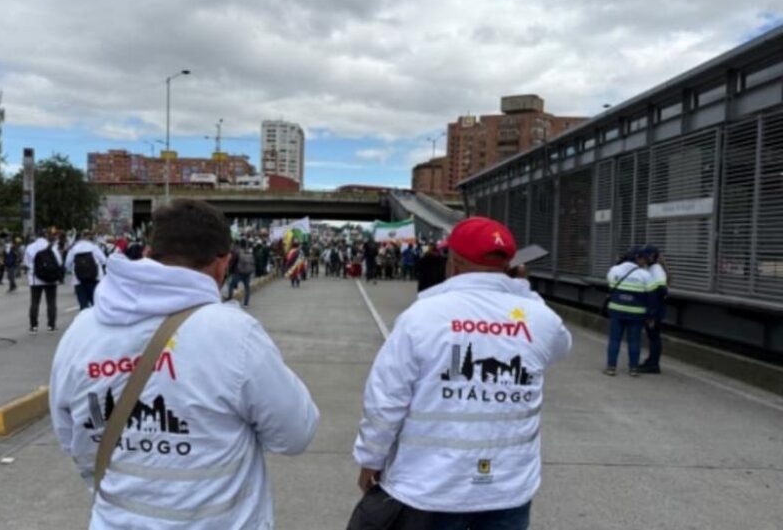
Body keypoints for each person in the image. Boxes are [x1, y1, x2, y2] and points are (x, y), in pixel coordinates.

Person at [49, 199, 319, 529]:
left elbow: (71, 436)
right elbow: (295, 433)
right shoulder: (234, 334)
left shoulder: (83, 329)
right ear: (223, 264)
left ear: (148, 253)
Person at [351, 216, 572, 530]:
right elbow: (561, 348)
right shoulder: (540, 318)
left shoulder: (421, 317)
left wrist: (371, 458)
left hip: (430, 487)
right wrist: (523, 292)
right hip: (508, 487)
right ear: (510, 265)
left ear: (452, 263)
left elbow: (386, 399)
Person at [604, 247, 654, 377]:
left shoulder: (615, 270)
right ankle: (633, 368)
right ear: (637, 258)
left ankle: (611, 367)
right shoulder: (645, 275)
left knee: (614, 339)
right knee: (634, 341)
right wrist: (650, 315)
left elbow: (610, 284)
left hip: (616, 310)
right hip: (636, 313)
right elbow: (651, 296)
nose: (644, 261)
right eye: (643, 258)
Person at [24, 229, 63, 332]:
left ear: (37, 236)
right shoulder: (52, 247)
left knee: (34, 302)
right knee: (51, 302)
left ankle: (33, 326)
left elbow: (27, 263)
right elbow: (59, 262)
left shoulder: (30, 247)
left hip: (35, 278)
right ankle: (51, 325)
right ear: (46, 236)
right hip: (51, 278)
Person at [639, 245, 668, 374]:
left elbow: (660, 291)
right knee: (652, 336)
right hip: (653, 308)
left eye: (646, 256)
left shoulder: (656, 269)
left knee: (654, 336)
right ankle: (651, 360)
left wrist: (652, 313)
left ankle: (654, 364)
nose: (644, 258)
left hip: (655, 310)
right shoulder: (651, 268)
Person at [65, 230, 106, 310]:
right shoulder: (94, 247)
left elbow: (67, 264)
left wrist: (73, 270)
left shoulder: (74, 249)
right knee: (95, 304)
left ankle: (84, 321)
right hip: (95, 278)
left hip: (79, 280)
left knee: (83, 305)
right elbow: (104, 260)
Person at [227, 239, 256, 306]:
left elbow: (233, 261)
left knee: (231, 285)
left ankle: (230, 299)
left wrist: (230, 269)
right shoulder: (249, 251)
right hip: (247, 272)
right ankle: (246, 303)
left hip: (238, 272)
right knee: (247, 288)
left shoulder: (238, 251)